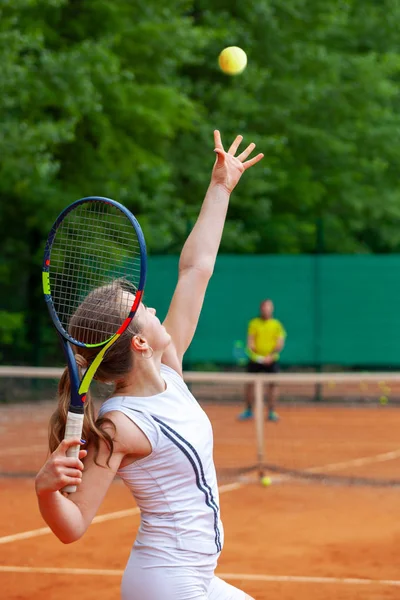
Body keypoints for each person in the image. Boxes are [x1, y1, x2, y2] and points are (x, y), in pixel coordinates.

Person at [35, 130, 263, 600]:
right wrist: (45, 491)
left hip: (195, 577)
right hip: (166, 584)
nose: (157, 309)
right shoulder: (123, 425)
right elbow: (72, 525)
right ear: (140, 342)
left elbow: (195, 269)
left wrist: (220, 187)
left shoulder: (169, 376)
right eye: (145, 309)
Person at [238, 299, 286, 422]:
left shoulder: (277, 325)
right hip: (255, 360)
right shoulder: (254, 323)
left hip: (272, 360)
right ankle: (249, 410)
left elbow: (279, 343)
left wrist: (270, 356)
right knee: (249, 385)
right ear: (261, 309)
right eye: (265, 307)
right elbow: (250, 343)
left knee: (273, 386)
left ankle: (271, 412)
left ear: (272, 309)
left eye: (269, 308)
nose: (267, 310)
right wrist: (260, 358)